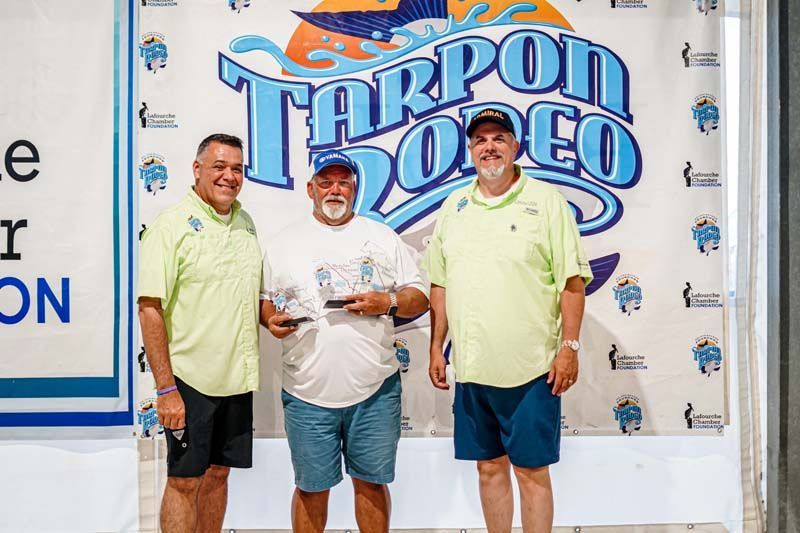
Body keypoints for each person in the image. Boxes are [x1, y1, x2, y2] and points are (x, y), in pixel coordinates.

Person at [424, 108, 593, 532]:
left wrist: (569, 349)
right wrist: (436, 347)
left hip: (532, 370)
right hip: (473, 369)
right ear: (470, 151)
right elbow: (440, 282)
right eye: (480, 140)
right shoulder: (455, 206)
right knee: (488, 468)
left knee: (531, 473)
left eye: (499, 138)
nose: (490, 147)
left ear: (515, 147)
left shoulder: (547, 202)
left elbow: (572, 282)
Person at [260, 149, 429, 533]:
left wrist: (386, 302)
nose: (335, 190)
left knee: (371, 485)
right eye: (326, 182)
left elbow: (419, 297)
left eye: (343, 182)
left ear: (355, 188)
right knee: (310, 489)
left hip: (375, 390)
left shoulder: (381, 237)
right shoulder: (283, 243)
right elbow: (265, 301)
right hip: (306, 392)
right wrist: (270, 320)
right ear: (310, 189)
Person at [138, 133, 262, 533]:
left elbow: (245, 295)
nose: (229, 176)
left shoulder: (245, 224)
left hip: (237, 380)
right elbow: (150, 309)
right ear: (197, 170)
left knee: (219, 475)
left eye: (237, 169)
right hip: (190, 382)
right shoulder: (170, 227)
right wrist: (165, 389)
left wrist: (272, 317)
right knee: (184, 480)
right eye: (219, 167)